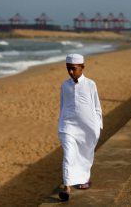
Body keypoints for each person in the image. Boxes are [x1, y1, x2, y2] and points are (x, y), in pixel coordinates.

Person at [58, 53, 103, 201]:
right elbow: (62, 105)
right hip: (68, 126)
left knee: (85, 154)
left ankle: (84, 178)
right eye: (68, 69)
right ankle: (67, 187)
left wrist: (98, 125)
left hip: (88, 128)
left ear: (82, 68)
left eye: (73, 68)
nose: (70, 72)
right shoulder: (64, 86)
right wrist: (61, 123)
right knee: (69, 154)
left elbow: (97, 106)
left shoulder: (91, 84)